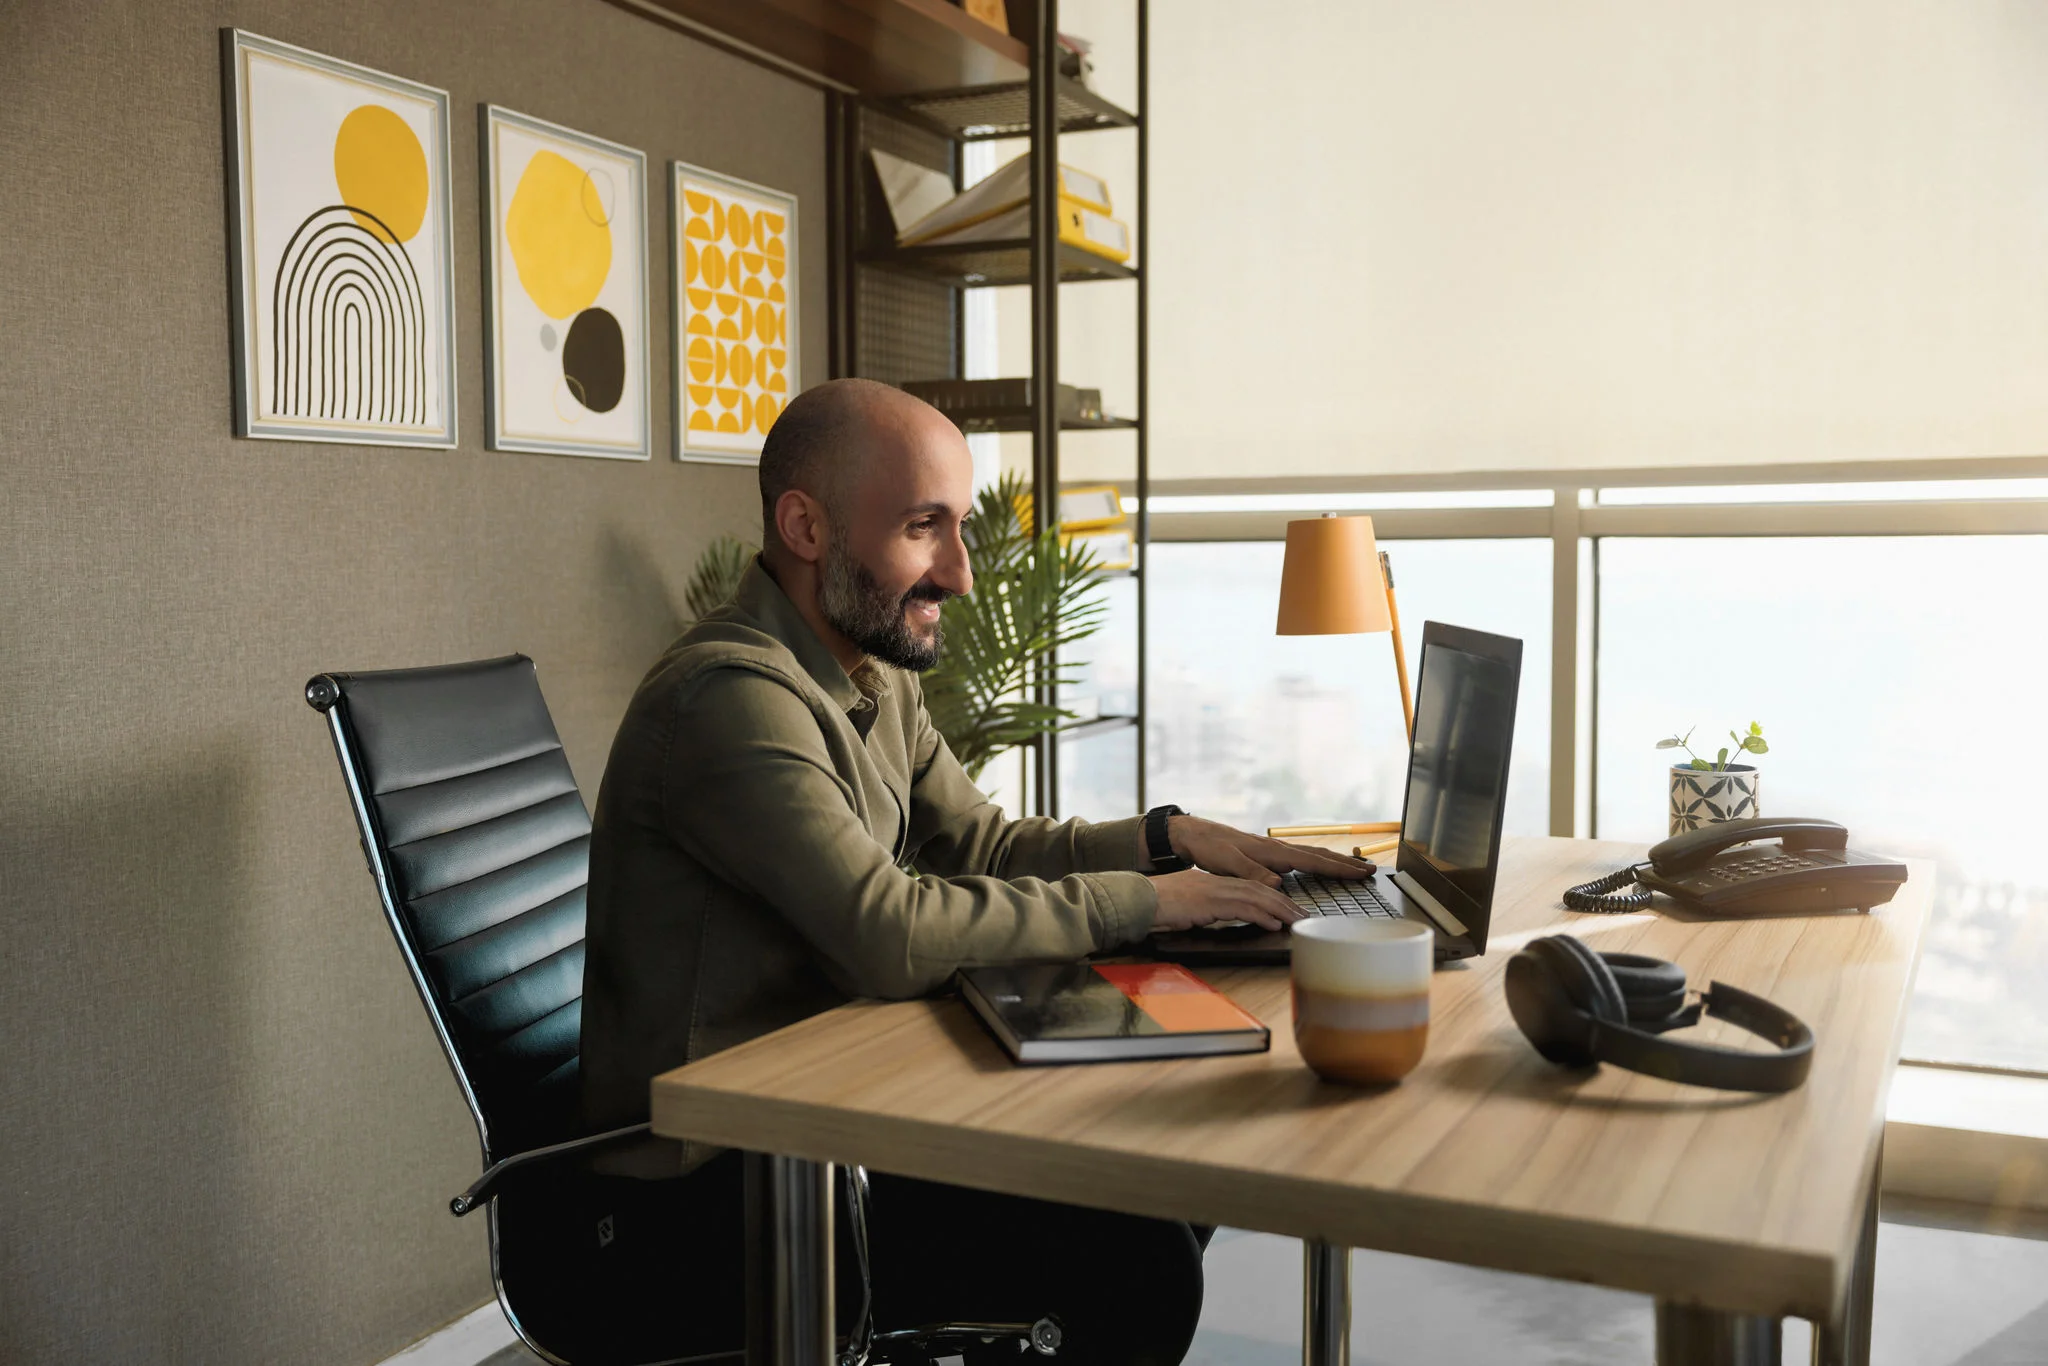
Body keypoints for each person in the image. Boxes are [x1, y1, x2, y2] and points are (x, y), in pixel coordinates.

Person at [566, 378, 1375, 1365]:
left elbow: (980, 845)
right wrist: (1149, 903)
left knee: (1161, 1177)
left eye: (960, 528)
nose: (959, 572)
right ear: (804, 525)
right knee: (1130, 1254)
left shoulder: (868, 672)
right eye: (923, 527)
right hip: (707, 1203)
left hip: (825, 1128)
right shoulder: (729, 702)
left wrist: (1168, 840)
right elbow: (889, 933)